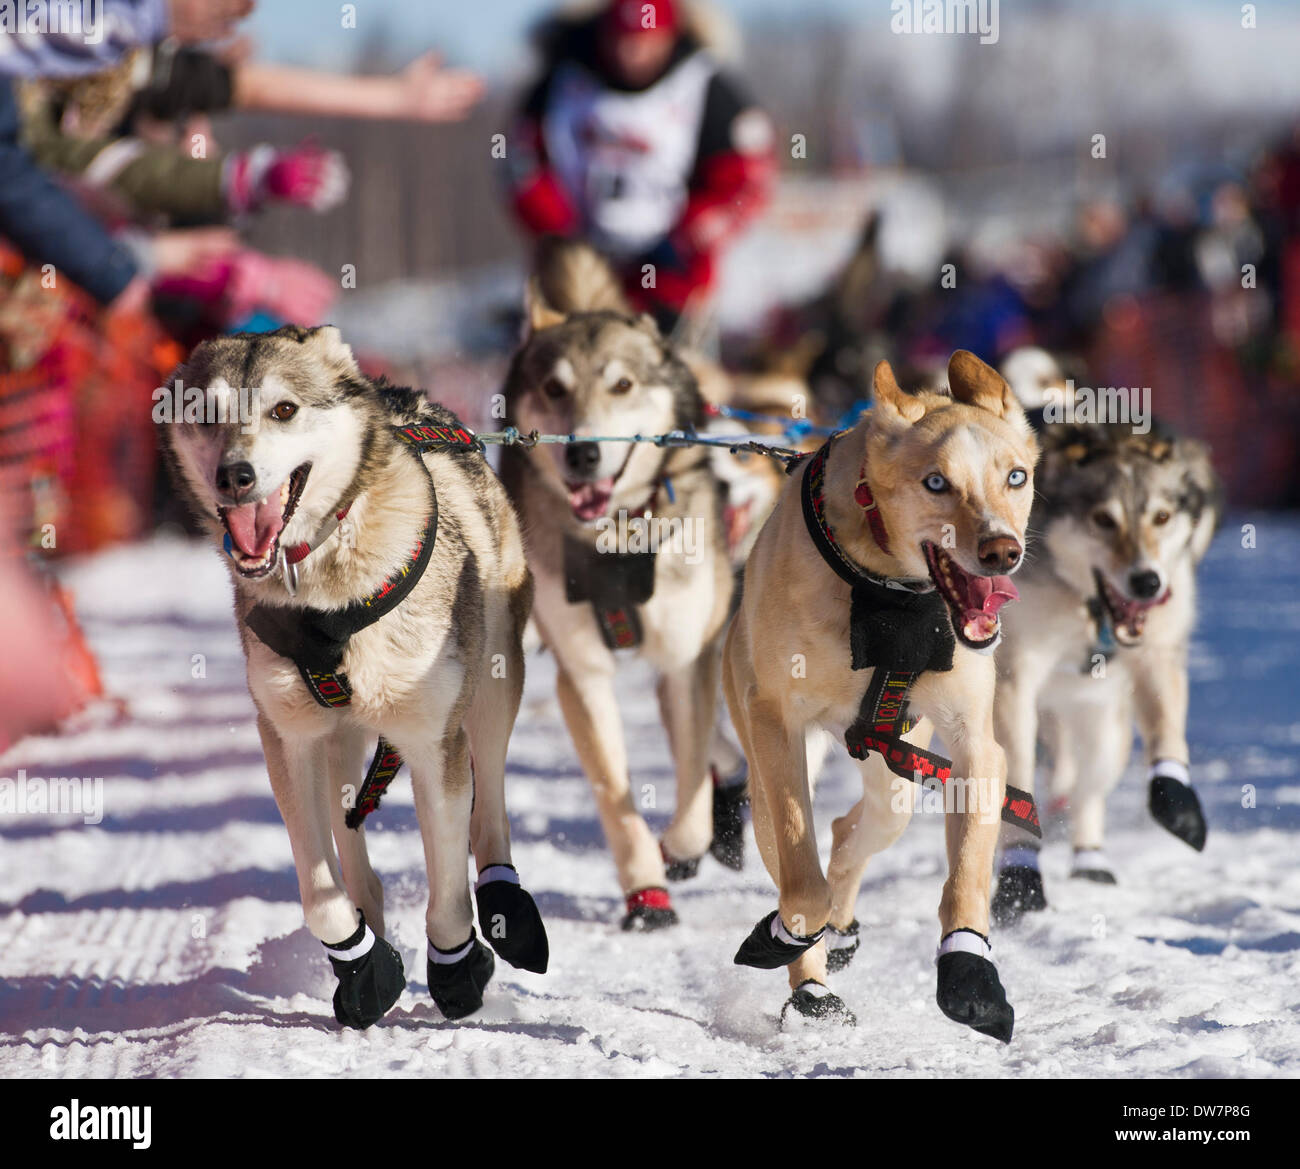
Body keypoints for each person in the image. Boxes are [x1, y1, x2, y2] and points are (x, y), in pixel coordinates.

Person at [507, 0, 775, 332]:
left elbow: (745, 179)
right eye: (621, 40)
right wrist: (559, 232)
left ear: (670, 35)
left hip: (674, 283)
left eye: (645, 42)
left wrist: (692, 232)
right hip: (578, 277)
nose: (631, 53)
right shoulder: (561, 82)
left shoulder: (707, 86)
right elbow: (519, 164)